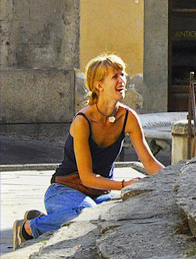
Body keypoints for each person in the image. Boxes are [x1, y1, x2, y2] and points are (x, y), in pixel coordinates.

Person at [12, 54, 163, 249]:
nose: (122, 81)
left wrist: (175, 179)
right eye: (115, 76)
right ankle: (28, 228)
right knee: (88, 214)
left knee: (126, 214)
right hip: (64, 190)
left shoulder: (128, 117)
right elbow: (87, 178)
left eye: (123, 74)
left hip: (100, 194)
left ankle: (45, 220)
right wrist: (125, 184)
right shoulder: (83, 121)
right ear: (99, 85)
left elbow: (149, 163)